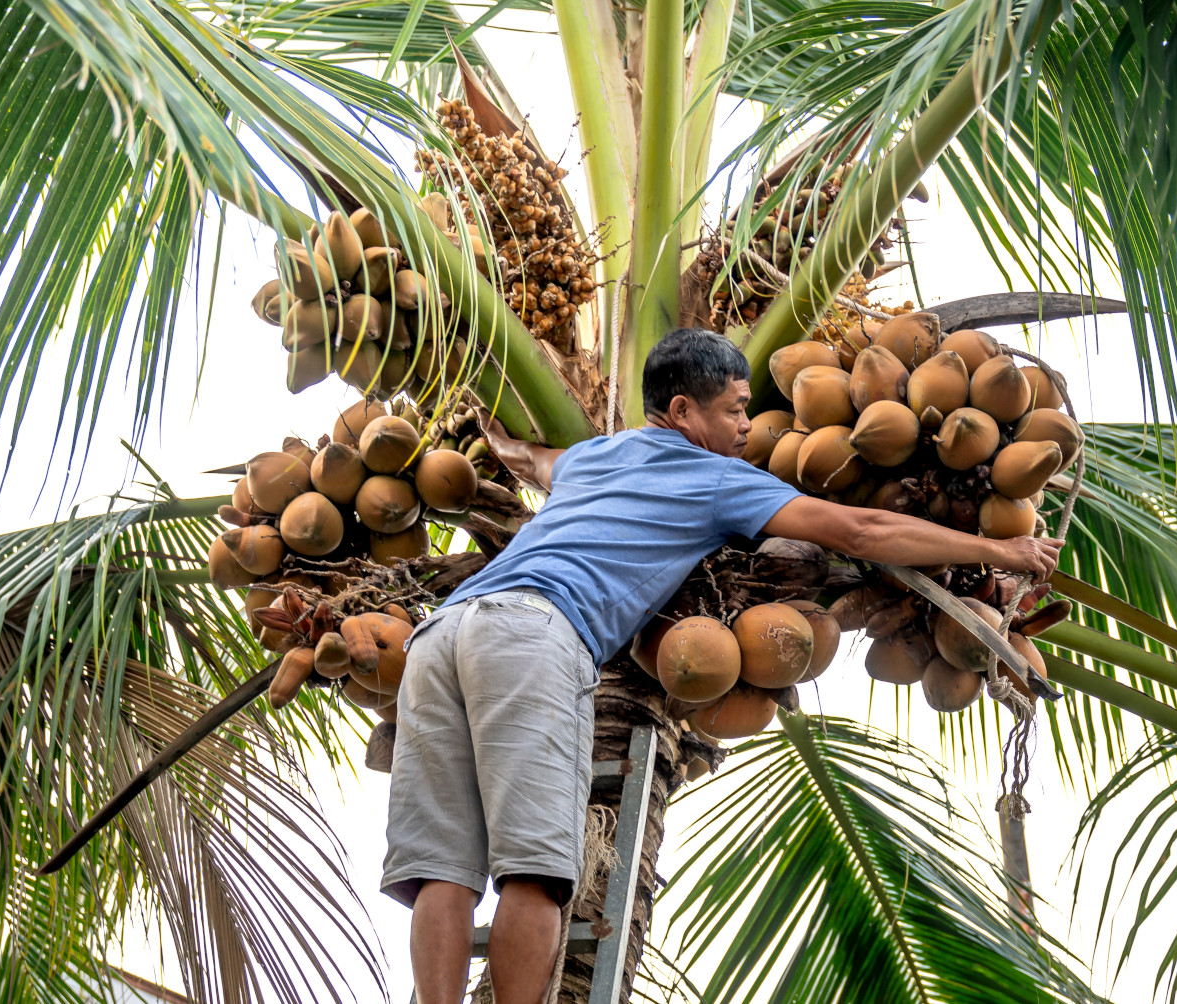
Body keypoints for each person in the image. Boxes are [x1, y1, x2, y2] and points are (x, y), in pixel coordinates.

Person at [384, 328, 1063, 1003]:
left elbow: (534, 460)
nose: (745, 424)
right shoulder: (715, 479)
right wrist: (1006, 555)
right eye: (735, 408)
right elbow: (862, 533)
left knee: (444, 871)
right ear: (682, 412)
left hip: (441, 633)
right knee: (535, 871)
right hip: (532, 636)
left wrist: (491, 435)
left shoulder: (596, 456)